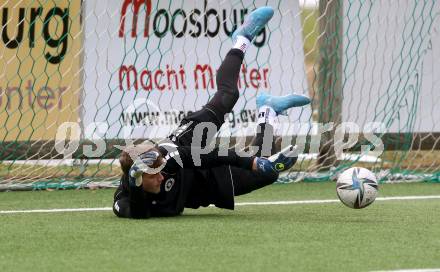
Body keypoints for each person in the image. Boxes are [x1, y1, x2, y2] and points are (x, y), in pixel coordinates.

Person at [113, 6, 311, 219]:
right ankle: (268, 110)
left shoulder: (169, 157)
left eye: (160, 171)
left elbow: (214, 154)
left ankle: (242, 38)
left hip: (185, 139)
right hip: (200, 186)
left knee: (229, 95)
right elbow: (138, 213)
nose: (161, 176)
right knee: (267, 174)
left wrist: (250, 162)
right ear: (137, 178)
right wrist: (259, 164)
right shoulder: (122, 200)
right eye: (154, 175)